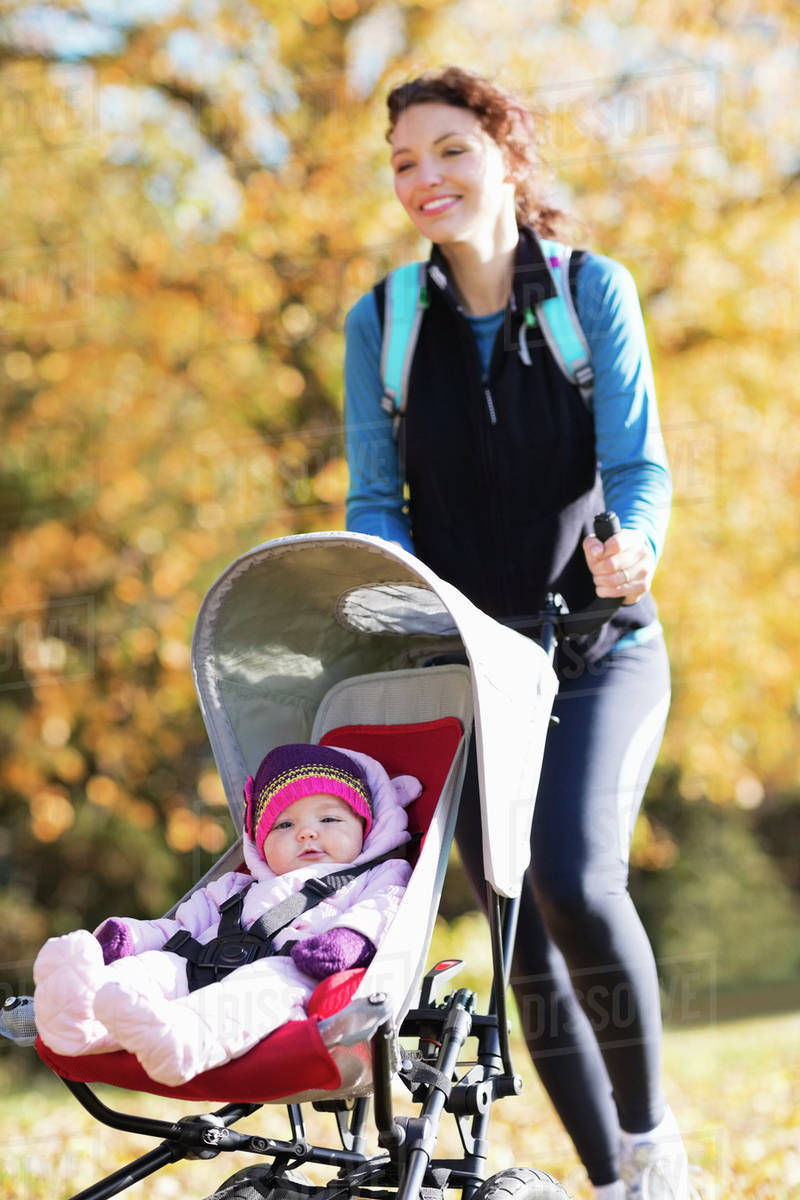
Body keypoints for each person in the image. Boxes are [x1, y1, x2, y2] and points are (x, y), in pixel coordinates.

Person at [343, 67, 688, 1200]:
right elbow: (375, 499)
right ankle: (608, 1186)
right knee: (517, 945)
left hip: (600, 652)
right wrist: (384, 596)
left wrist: (632, 540)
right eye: (402, 162)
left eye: (446, 150)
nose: (422, 178)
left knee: (574, 880)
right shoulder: (384, 323)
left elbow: (636, 464)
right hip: (473, 669)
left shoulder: (590, 293)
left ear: (502, 153)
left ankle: (651, 1152)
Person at [33, 743, 418, 1087]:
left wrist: (346, 939)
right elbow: (182, 928)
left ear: (366, 825)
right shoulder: (235, 887)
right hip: (200, 965)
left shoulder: (376, 875)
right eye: (285, 824)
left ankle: (182, 1042)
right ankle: (77, 1017)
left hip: (290, 973)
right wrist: (133, 937)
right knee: (154, 967)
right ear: (260, 842)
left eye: (329, 820)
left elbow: (384, 909)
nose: (306, 833)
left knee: (257, 989)